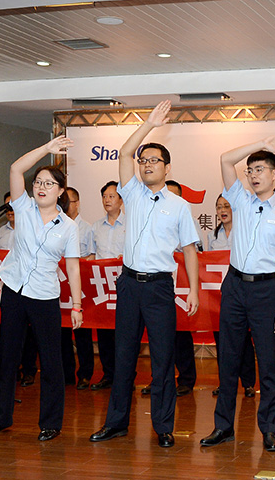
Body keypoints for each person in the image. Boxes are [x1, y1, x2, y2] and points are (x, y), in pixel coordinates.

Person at [90, 100, 201, 448]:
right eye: (144, 160)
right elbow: (125, 152)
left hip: (159, 289)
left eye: (154, 160)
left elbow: (190, 250)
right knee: (123, 356)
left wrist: (193, 290)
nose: (147, 164)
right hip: (129, 284)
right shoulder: (133, 193)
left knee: (162, 359)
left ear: (167, 168)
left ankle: (163, 426)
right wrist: (149, 124)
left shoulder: (179, 206)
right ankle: (116, 423)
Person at [200, 136, 275, 453]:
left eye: (260, 169)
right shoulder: (240, 199)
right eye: (251, 170)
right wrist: (262, 142)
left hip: (265, 291)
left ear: (274, 174)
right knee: (228, 359)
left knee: (269, 363)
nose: (254, 175)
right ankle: (223, 427)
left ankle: (269, 429)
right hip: (234, 286)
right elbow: (225, 159)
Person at [0, 137, 83, 440]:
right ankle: (1, 419)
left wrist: (77, 305)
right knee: (8, 358)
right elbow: (15, 168)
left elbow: (73, 267)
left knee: (50, 361)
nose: (41, 187)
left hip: (44, 296)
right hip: (14, 290)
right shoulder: (23, 207)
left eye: (49, 184)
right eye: (38, 182)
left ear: (61, 191)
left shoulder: (69, 227)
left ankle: (50, 423)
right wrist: (46, 149)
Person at [140, 179, 199, 397]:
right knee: (157, 337)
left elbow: (195, 251)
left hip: (181, 283)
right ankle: (159, 379)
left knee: (181, 335)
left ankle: (185, 378)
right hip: (157, 284)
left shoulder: (186, 217)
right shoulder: (150, 215)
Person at [206, 193, 257, 399]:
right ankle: (225, 382)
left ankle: (248, 383)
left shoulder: (244, 231)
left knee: (243, 339)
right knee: (222, 339)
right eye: (219, 207)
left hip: (240, 291)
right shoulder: (212, 236)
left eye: (226, 206)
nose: (222, 210)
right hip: (217, 294)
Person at [0, 191, 38, 388]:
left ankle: (28, 371)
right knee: (8, 334)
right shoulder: (1, 232)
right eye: (7, 207)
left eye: (13, 206)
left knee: (28, 334)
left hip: (29, 286)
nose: (10, 210)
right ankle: (8, 374)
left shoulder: (31, 227)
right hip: (9, 287)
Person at [84, 180, 125, 390]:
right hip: (102, 286)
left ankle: (125, 377)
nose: (107, 200)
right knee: (104, 333)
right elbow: (92, 255)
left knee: (123, 333)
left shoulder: (130, 224)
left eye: (111, 196)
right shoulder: (95, 227)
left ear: (121, 200)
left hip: (124, 285)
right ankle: (108, 374)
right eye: (104, 196)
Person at [58, 187, 94, 385]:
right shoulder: (57, 225)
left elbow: (92, 257)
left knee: (82, 334)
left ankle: (85, 374)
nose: (64, 205)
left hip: (80, 287)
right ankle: (66, 374)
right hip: (59, 286)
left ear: (77, 204)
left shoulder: (87, 228)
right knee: (62, 333)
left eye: (68, 201)